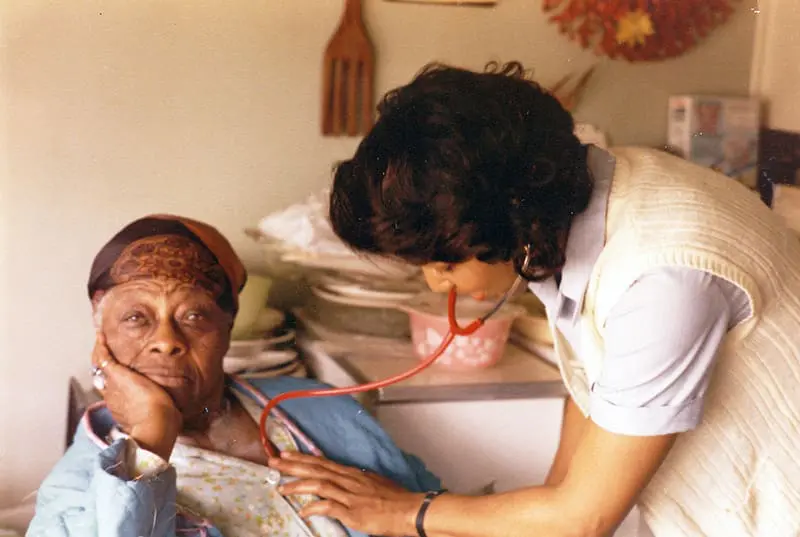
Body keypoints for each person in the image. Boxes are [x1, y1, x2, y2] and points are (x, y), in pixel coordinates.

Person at [268, 62, 800, 537]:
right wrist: (540, 513)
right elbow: (594, 395)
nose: (435, 284)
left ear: (507, 221)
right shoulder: (579, 207)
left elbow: (581, 520)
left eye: (443, 263)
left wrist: (406, 513)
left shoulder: (661, 277)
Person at [27, 214, 440, 537]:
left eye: (193, 315)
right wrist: (152, 433)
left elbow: (431, 507)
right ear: (104, 340)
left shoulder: (318, 406)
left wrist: (407, 512)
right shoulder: (75, 489)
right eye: (136, 318)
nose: (166, 341)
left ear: (226, 329)